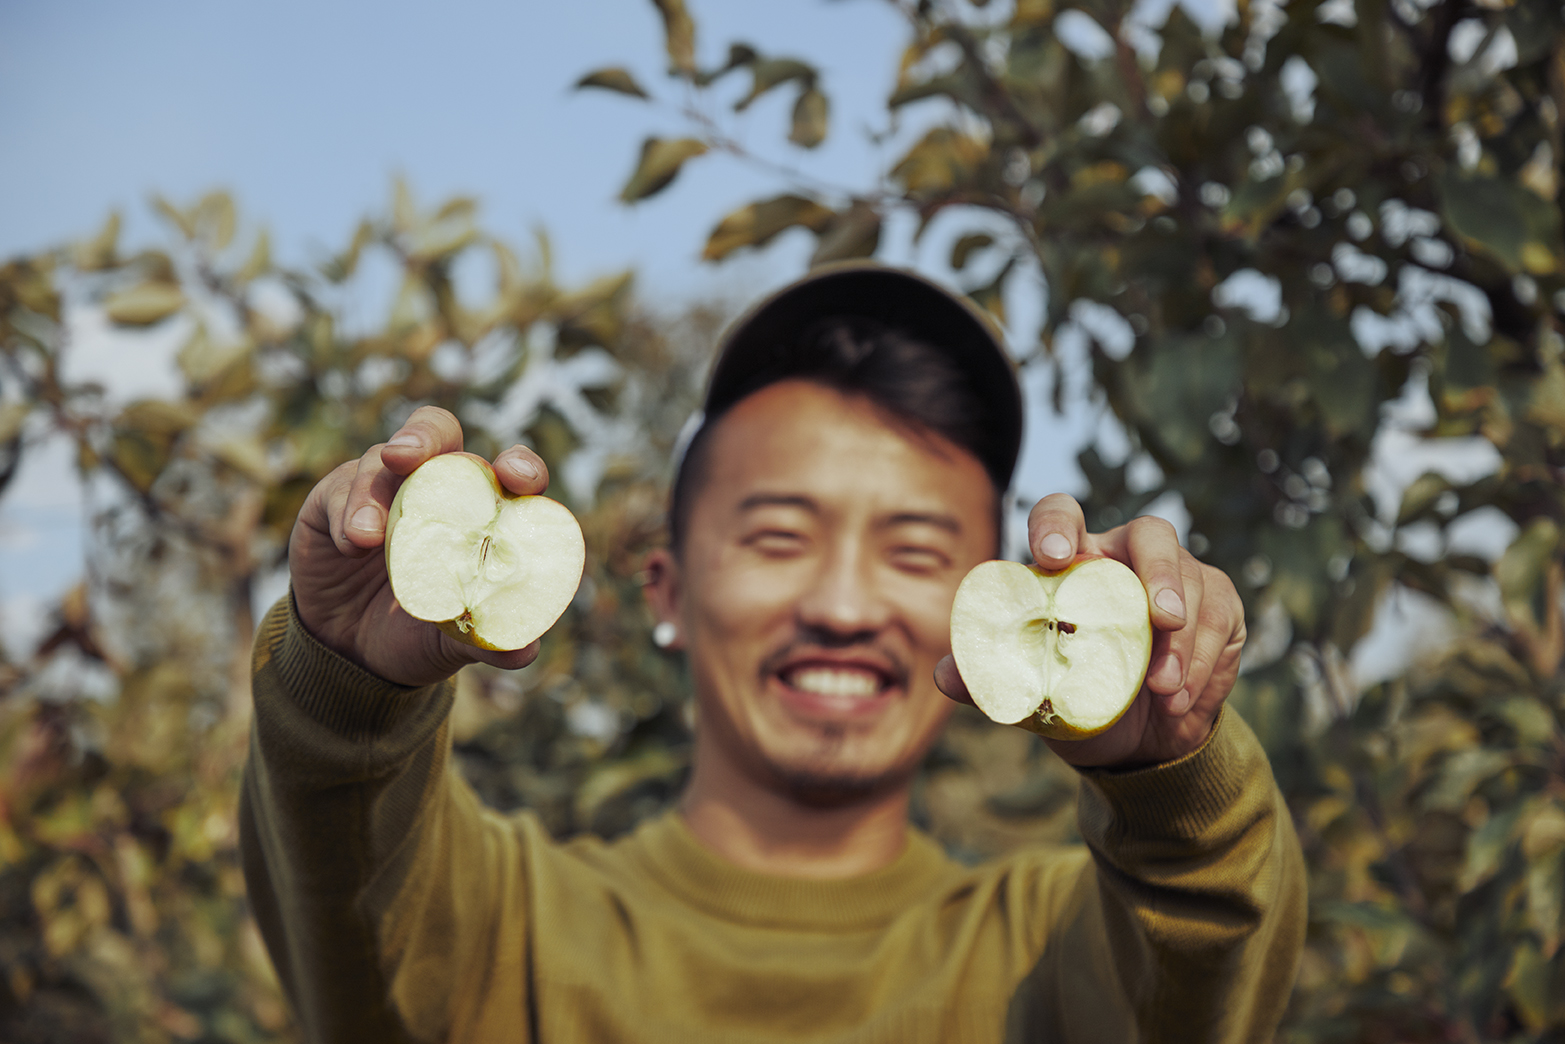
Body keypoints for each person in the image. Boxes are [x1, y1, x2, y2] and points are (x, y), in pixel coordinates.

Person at [240, 262, 1306, 1043]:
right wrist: (346, 680)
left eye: (915, 548)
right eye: (778, 538)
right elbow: (354, 919)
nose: (842, 603)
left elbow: (1202, 955)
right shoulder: (509, 933)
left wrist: (1167, 769)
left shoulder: (1040, 954)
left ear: (995, 614)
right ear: (669, 591)